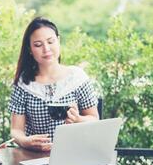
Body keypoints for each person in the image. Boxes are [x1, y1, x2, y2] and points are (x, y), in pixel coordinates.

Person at [9, 17, 99, 152]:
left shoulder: (77, 78)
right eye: (38, 45)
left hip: (74, 154)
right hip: (34, 157)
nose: (46, 49)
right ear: (30, 49)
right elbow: (16, 130)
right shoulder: (24, 84)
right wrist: (26, 142)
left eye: (51, 42)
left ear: (58, 41)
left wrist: (78, 119)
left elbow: (94, 119)